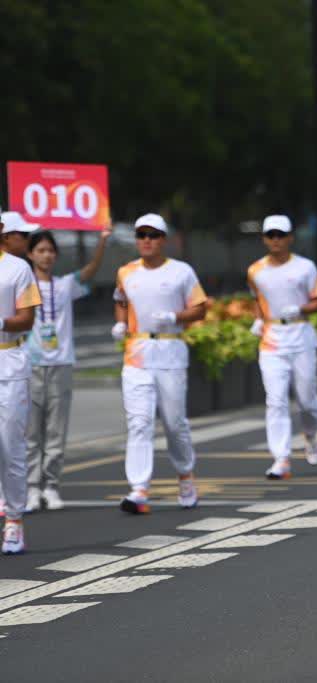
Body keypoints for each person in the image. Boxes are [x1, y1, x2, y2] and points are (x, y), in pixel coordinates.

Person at [112, 214, 206, 514]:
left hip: (170, 349)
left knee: (174, 423)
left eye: (153, 235)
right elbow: (120, 300)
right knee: (139, 423)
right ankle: (139, 488)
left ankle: (185, 475)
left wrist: (176, 317)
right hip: (137, 352)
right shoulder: (126, 272)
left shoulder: (181, 272)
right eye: (141, 235)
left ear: (163, 239)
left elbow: (200, 309)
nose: (147, 240)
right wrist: (120, 323)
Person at [24, 228, 112, 512]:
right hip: (32, 364)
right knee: (30, 431)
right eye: (40, 250)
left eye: (50, 250)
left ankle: (51, 486)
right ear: (30, 254)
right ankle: (31, 487)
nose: (46, 255)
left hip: (61, 363)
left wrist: (102, 241)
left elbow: (89, 271)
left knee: (56, 429)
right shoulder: (22, 285)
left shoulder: (64, 285)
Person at [247, 215, 317, 480]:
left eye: (281, 235)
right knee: (276, 400)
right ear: (264, 239)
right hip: (272, 339)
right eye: (271, 235)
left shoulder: (305, 267)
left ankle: (311, 435)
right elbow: (256, 298)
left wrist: (301, 308)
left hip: (301, 334)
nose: (276, 240)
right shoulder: (255, 270)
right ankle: (281, 458)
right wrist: (259, 320)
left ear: (290, 237)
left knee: (307, 400)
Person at [0, 244, 41, 552]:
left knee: (10, 444)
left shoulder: (17, 268)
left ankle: (14, 519)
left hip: (8, 362)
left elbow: (27, 319)